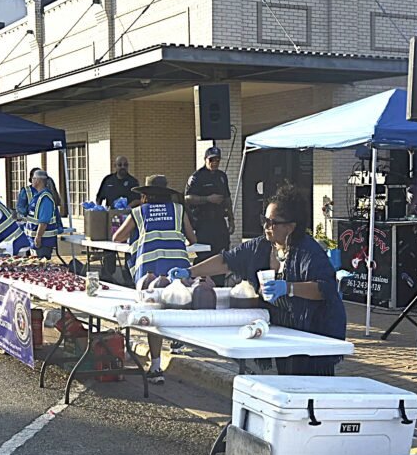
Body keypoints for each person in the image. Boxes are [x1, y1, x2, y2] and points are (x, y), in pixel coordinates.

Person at [170, 184, 346, 376]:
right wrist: (190, 271)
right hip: (284, 328)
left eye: (272, 222)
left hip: (315, 330)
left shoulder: (308, 252)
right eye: (264, 220)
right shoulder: (261, 246)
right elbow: (226, 260)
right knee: (287, 376)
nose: (266, 227)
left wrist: (289, 288)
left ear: (290, 227)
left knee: (310, 382)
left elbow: (325, 289)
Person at [112, 175, 196, 385]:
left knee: (154, 317)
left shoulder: (139, 212)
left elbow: (117, 238)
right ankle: (177, 343)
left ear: (145, 196)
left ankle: (156, 367)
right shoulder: (178, 210)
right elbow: (192, 239)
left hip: (150, 273)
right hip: (178, 271)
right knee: (176, 308)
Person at [184, 146, 235, 286]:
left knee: (223, 253)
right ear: (206, 159)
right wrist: (207, 199)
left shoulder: (221, 176)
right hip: (203, 222)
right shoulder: (197, 176)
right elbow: (187, 198)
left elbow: (227, 199)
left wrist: (231, 219)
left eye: (217, 160)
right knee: (205, 254)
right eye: (212, 159)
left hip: (219, 221)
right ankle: (201, 284)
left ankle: (219, 284)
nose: (215, 163)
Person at [24, 169, 59, 259]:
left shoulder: (45, 198)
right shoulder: (38, 196)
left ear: (38, 181)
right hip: (35, 240)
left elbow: (43, 221)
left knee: (42, 266)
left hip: (43, 242)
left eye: (33, 178)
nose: (31, 181)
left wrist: (38, 237)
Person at [17, 167, 64, 232]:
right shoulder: (48, 192)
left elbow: (20, 209)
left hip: (36, 229)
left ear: (37, 180)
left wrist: (32, 210)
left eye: (34, 178)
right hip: (36, 229)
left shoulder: (44, 195)